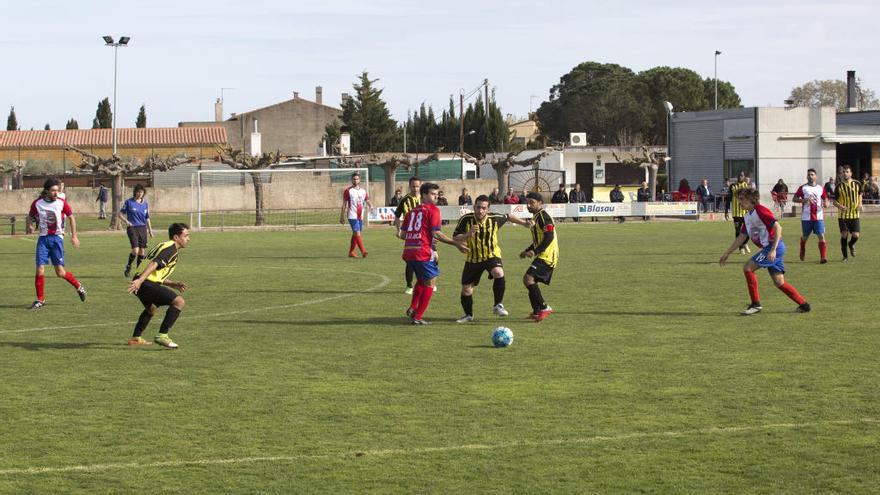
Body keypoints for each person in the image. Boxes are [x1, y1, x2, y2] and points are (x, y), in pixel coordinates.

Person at [720, 187, 810, 315]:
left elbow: (778, 227)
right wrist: (727, 253)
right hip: (771, 249)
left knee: (748, 268)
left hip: (774, 248)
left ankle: (755, 304)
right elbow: (742, 236)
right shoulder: (747, 216)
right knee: (779, 282)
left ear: (751, 199)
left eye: (742, 199)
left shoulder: (760, 210)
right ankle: (804, 305)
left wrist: (773, 250)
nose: (739, 202)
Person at [398, 182, 468, 324]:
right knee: (431, 282)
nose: (435, 197)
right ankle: (417, 317)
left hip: (408, 252)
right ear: (423, 194)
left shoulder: (411, 211)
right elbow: (436, 233)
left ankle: (412, 308)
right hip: (422, 251)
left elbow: (403, 234)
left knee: (422, 280)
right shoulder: (433, 210)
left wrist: (417, 235)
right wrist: (455, 243)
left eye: (436, 194)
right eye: (432, 194)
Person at [127, 223, 191, 348]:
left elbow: (155, 272)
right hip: (144, 282)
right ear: (176, 237)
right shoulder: (171, 248)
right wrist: (140, 281)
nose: (188, 239)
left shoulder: (164, 245)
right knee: (179, 302)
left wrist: (172, 284)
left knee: (152, 308)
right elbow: (154, 264)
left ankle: (136, 337)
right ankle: (162, 335)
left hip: (143, 280)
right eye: (186, 235)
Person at [26, 178, 86, 309]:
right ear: (46, 191)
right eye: (53, 190)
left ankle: (79, 286)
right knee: (40, 269)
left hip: (57, 239)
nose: (56, 193)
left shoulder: (61, 202)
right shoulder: (37, 203)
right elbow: (29, 215)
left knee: (60, 272)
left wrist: (74, 236)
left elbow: (71, 217)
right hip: (43, 239)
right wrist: (29, 226)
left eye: (57, 191)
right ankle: (40, 300)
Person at [452, 195, 512, 323]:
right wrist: (468, 234)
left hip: (491, 255)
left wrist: (524, 223)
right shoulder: (466, 219)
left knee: (498, 272)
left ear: (488, 209)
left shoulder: (494, 219)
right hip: (473, 258)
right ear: (474, 207)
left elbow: (509, 216)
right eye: (478, 207)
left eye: (484, 208)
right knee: (466, 289)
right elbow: (455, 238)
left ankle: (498, 305)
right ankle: (468, 315)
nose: (480, 211)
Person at [506, 192, 558, 322]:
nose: (529, 205)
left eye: (532, 202)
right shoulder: (536, 217)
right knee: (530, 280)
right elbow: (538, 240)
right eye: (528, 202)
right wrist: (527, 250)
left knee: (528, 279)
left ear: (540, 203)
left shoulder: (544, 217)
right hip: (542, 254)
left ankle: (544, 307)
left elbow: (549, 237)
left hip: (548, 256)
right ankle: (536, 312)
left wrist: (535, 252)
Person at [793, 168, 828, 264]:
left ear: (816, 176)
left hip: (819, 217)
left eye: (812, 174)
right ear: (806, 176)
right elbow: (794, 198)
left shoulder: (820, 188)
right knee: (805, 237)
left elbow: (825, 198)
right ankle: (802, 248)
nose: (810, 176)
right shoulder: (803, 188)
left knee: (821, 235)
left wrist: (826, 203)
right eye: (808, 175)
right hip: (806, 217)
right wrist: (804, 200)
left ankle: (823, 257)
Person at [118, 184, 155, 277]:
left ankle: (138, 271)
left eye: (141, 192)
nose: (140, 194)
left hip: (142, 228)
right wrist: (126, 221)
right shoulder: (129, 202)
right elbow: (120, 214)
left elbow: (147, 218)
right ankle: (128, 266)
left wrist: (150, 231)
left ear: (144, 193)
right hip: (132, 228)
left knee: (142, 252)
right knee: (135, 250)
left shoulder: (145, 204)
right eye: (138, 192)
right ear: (135, 192)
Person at [394, 176, 422, 294]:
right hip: (411, 235)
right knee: (410, 260)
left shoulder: (425, 198)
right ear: (409, 186)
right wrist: (399, 229)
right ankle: (409, 286)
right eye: (413, 186)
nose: (415, 189)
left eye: (417, 186)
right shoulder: (405, 200)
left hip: (424, 234)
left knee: (430, 257)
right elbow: (397, 215)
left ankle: (430, 282)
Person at [833, 165, 862, 262]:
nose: (845, 173)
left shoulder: (857, 183)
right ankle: (845, 257)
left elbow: (860, 194)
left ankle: (851, 244)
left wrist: (860, 204)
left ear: (851, 173)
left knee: (856, 235)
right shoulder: (839, 186)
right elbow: (834, 201)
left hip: (854, 214)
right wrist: (841, 207)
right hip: (843, 215)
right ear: (842, 174)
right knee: (844, 235)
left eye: (847, 171)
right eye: (844, 172)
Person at [340, 172, 372, 258]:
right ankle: (363, 251)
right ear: (351, 180)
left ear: (359, 180)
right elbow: (344, 204)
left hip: (360, 215)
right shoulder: (348, 191)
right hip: (352, 215)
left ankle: (351, 252)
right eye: (354, 179)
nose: (355, 180)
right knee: (357, 233)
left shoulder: (363, 191)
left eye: (357, 179)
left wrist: (371, 206)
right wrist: (342, 216)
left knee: (356, 234)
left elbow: (367, 200)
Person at [729, 172, 751, 254]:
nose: (740, 177)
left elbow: (750, 199)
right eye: (739, 175)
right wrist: (726, 211)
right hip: (736, 213)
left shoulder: (747, 186)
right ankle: (741, 247)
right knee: (738, 230)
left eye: (741, 175)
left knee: (749, 230)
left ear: (744, 177)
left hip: (746, 212)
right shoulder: (733, 186)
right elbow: (729, 198)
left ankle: (744, 243)